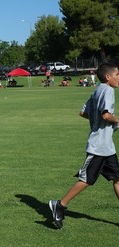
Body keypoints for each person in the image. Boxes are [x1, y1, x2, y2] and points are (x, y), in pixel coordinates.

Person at [49, 63, 119, 230]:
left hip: (107, 146)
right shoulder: (108, 91)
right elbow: (106, 115)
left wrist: (96, 123)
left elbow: (83, 112)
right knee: (87, 179)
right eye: (117, 74)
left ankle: (60, 204)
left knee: (117, 178)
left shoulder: (97, 90)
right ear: (108, 77)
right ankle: (60, 204)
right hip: (99, 146)